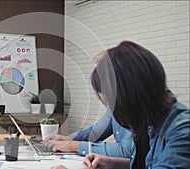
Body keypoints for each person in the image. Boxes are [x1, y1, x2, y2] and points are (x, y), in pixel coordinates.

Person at [81, 41, 190, 169]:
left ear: (130, 97)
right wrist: (112, 163)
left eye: (111, 102)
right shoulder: (147, 119)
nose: (112, 109)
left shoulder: (181, 130)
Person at [43, 109, 134, 158]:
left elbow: (126, 151)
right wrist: (70, 139)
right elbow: (96, 132)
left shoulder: (138, 109)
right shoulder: (114, 107)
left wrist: (74, 146)